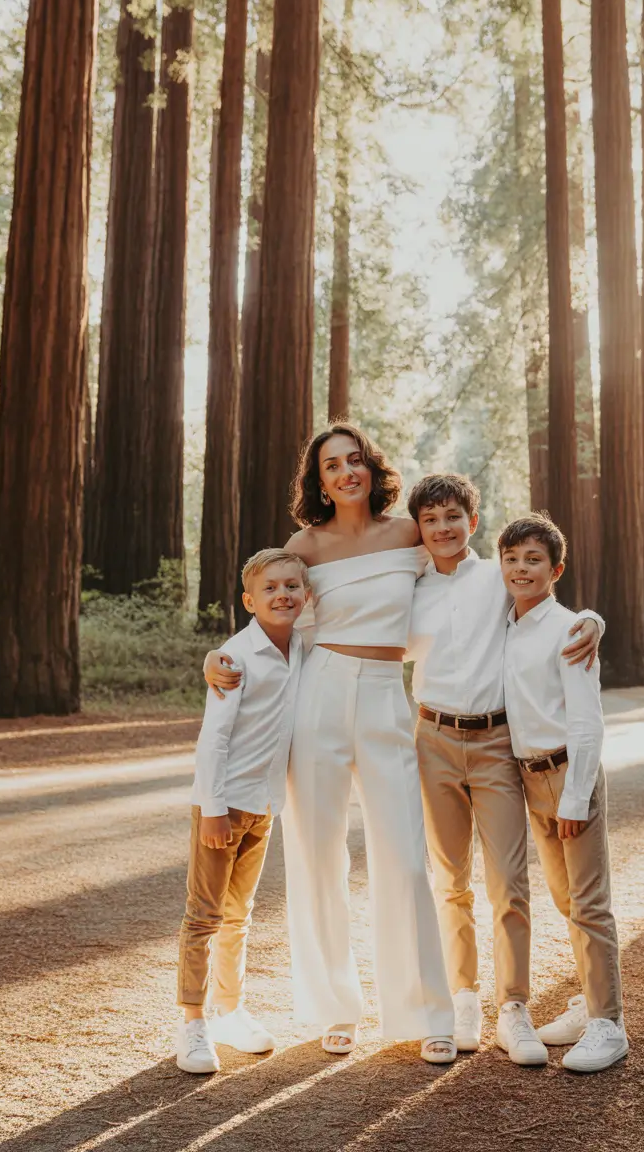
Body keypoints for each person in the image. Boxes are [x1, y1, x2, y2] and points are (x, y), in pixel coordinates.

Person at [205, 425, 456, 1065]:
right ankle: (334, 1010)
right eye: (332, 465)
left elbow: (470, 577)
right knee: (318, 857)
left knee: (402, 855)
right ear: (318, 480)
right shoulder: (305, 545)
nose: (346, 473)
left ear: (372, 469)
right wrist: (221, 658)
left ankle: (424, 1011)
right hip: (318, 692)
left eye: (355, 461)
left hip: (383, 693)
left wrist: (583, 618)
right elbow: (273, 610)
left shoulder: (407, 535)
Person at [405, 473, 604, 1064]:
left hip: (495, 742)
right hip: (432, 737)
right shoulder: (407, 584)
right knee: (448, 879)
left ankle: (512, 1008)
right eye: (431, 519)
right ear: (419, 527)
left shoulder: (498, 576)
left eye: (453, 517)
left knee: (508, 883)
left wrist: (593, 618)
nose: (443, 529)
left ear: (473, 518)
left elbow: (552, 603)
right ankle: (460, 999)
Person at [500, 513, 628, 1073]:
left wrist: (575, 798)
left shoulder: (571, 630)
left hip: (569, 776)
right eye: (512, 559)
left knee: (590, 903)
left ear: (556, 569)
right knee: (566, 901)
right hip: (529, 778)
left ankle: (609, 1024)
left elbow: (587, 722)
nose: (521, 569)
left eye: (534, 560)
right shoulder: (503, 625)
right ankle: (587, 1001)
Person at [176, 549, 307, 1073]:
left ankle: (229, 1009)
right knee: (204, 916)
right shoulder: (234, 658)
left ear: (306, 594)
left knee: (240, 915)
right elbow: (214, 740)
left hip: (263, 805)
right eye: (270, 589)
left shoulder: (303, 644)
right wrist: (211, 809)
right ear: (249, 601)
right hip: (224, 805)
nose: (283, 595)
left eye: (292, 587)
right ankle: (191, 1025)